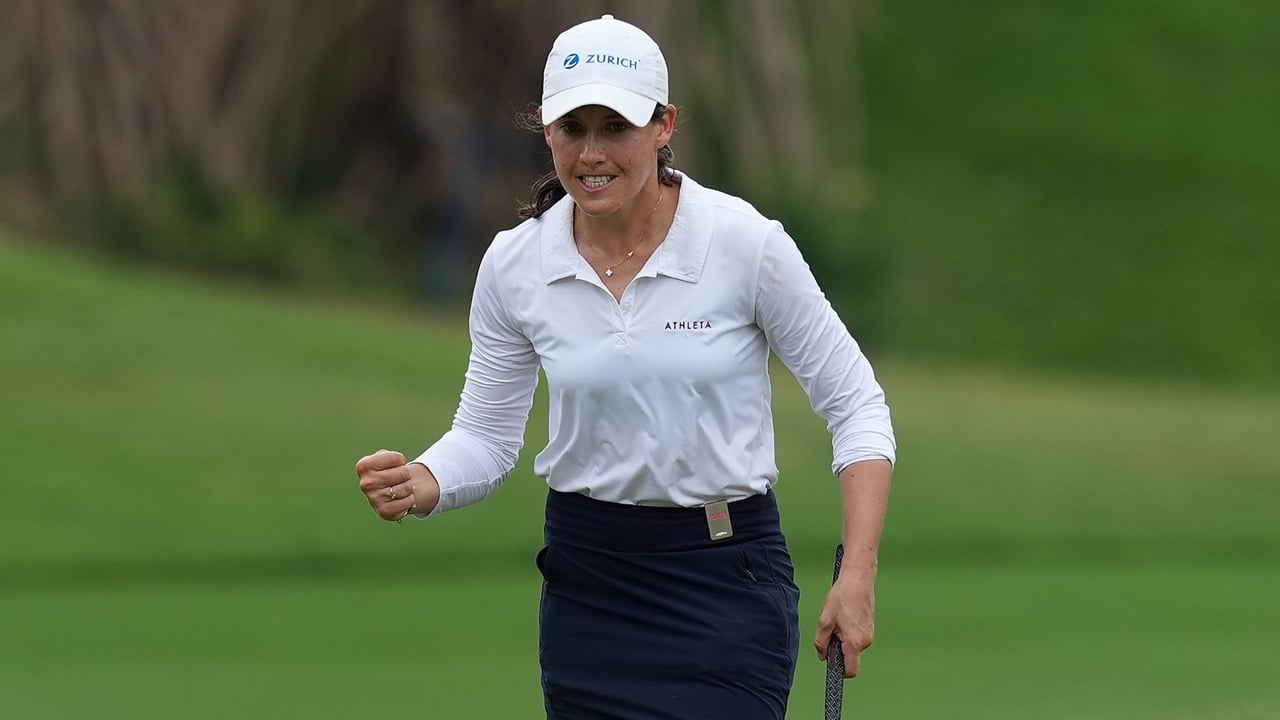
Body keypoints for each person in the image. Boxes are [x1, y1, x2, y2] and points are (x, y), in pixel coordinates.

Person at [355, 13, 895, 720]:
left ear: (664, 125)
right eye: (572, 128)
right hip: (592, 589)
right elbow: (487, 437)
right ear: (547, 131)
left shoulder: (744, 244)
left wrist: (857, 574)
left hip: (727, 585)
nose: (591, 152)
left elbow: (857, 406)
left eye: (616, 127)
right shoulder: (517, 264)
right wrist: (424, 480)